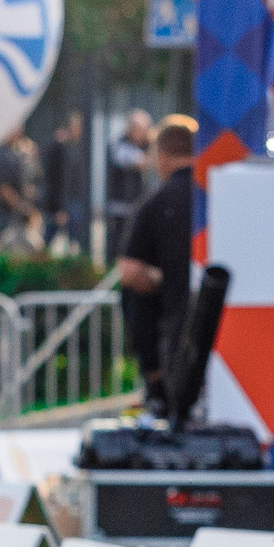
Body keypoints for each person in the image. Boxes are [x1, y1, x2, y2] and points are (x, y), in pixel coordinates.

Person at [114, 114, 196, 399]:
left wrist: (164, 280)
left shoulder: (156, 204)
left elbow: (130, 272)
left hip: (177, 332)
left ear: (161, 156)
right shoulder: (217, 196)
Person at [104, 109, 153, 253]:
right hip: (120, 204)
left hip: (138, 203)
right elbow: (141, 162)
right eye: (136, 128)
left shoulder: (146, 145)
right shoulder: (119, 145)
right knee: (118, 243)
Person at [43, 110, 88, 254]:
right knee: (51, 233)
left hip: (77, 197)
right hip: (62, 198)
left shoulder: (83, 147)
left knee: (74, 236)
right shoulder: (62, 148)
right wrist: (59, 206)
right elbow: (56, 177)